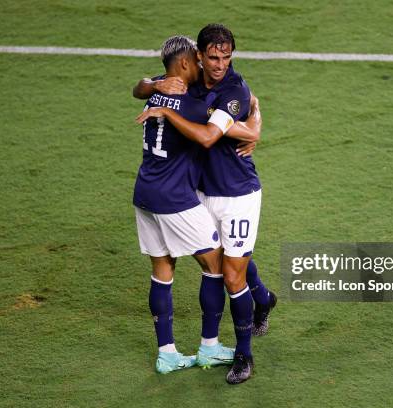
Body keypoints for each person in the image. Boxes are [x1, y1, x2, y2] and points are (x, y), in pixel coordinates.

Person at [135, 24, 277, 385]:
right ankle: (256, 303)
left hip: (238, 193)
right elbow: (142, 87)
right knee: (226, 263)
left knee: (230, 273)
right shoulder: (188, 82)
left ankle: (243, 354)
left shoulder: (233, 89)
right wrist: (154, 86)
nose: (219, 64)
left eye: (226, 56)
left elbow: (212, 135)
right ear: (197, 57)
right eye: (213, 57)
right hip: (198, 192)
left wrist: (254, 126)